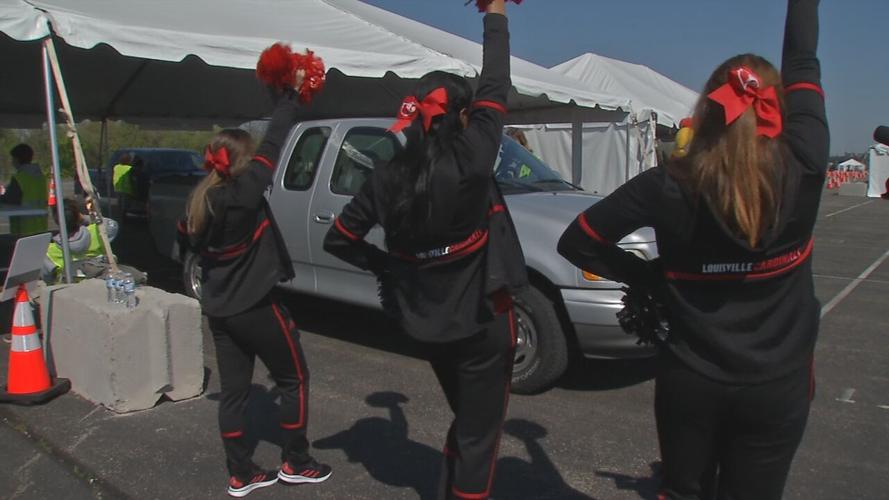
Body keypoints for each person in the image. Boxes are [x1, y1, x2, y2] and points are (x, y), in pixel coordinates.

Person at [557, 1, 827, 499]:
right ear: (777, 107)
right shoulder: (805, 163)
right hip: (777, 384)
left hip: (691, 380)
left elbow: (578, 241)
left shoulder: (667, 184)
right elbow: (803, 59)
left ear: (710, 109)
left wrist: (651, 277)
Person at [323, 2, 526, 499]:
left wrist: (388, 268)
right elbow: (495, 82)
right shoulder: (474, 155)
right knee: (482, 434)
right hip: (481, 323)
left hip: (425, 326)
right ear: (462, 115)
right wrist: (494, 13)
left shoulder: (387, 175)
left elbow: (339, 239)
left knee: (469, 420)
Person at [178, 72, 331, 496]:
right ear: (240, 161)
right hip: (256, 308)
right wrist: (289, 99)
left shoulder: (197, 201)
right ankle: (297, 462)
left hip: (221, 311)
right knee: (294, 379)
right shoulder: (245, 191)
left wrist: (281, 95)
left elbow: (187, 241)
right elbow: (275, 141)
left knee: (233, 395)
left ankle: (240, 474)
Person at [42, 197, 119, 283]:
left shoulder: (50, 252)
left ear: (56, 221)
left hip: (69, 291)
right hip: (101, 284)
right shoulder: (97, 232)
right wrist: (83, 218)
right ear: (78, 215)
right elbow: (112, 224)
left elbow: (47, 278)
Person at [2, 144, 48, 235]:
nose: (12, 162)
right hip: (41, 226)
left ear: (17, 159)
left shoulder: (19, 178)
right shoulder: (41, 178)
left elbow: (11, 199)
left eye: (13, 159)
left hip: (23, 228)